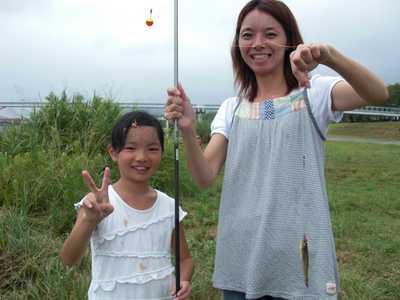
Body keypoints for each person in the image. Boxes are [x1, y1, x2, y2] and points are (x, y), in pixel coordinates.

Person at [164, 0, 388, 299]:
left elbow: (377, 92)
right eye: (247, 35)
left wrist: (328, 55)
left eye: (270, 34)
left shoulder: (314, 92)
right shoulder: (232, 109)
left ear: (289, 42)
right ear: (237, 45)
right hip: (241, 258)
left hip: (300, 260)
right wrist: (189, 130)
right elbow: (204, 177)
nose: (258, 43)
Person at [61, 111, 194, 300]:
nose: (141, 157)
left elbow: (185, 259)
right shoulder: (98, 205)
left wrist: (184, 281)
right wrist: (89, 221)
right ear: (113, 152)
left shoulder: (169, 207)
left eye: (152, 149)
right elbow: (69, 258)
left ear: (162, 153)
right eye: (131, 148)